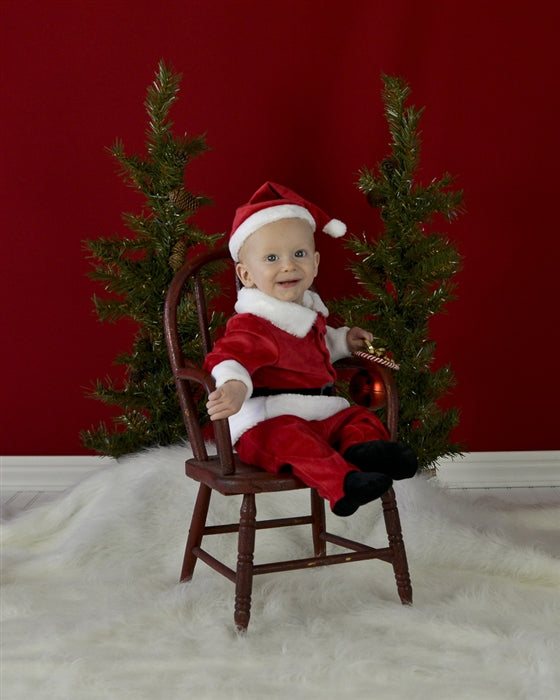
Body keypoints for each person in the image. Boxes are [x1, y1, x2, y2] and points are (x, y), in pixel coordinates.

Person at [204, 182, 417, 516]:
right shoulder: (253, 323)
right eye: (272, 258)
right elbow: (229, 357)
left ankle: (363, 453)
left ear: (315, 263)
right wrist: (233, 386)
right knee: (291, 438)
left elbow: (314, 351)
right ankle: (343, 485)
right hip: (268, 422)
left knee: (357, 417)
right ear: (246, 274)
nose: (288, 266)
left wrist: (344, 340)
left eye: (299, 254)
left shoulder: (308, 313)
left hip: (320, 413)